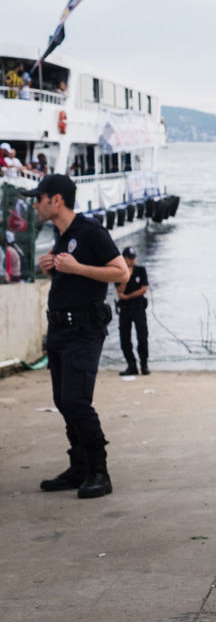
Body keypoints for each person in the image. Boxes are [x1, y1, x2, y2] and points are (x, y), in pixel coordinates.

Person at [24, 174, 129, 498]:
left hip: (84, 330)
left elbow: (121, 272)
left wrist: (77, 268)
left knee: (76, 401)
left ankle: (99, 471)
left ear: (56, 200)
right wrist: (52, 269)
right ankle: (79, 466)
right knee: (62, 401)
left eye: (39, 198)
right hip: (59, 329)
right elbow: (70, 277)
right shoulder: (62, 234)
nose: (35, 205)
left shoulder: (90, 231)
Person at [115, 246, 150, 375]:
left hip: (138, 307)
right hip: (125, 309)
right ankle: (131, 365)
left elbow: (143, 289)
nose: (132, 260)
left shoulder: (141, 270)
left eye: (133, 258)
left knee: (142, 337)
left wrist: (128, 296)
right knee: (124, 337)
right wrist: (127, 277)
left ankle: (144, 364)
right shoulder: (119, 273)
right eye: (129, 258)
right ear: (124, 259)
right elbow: (120, 291)